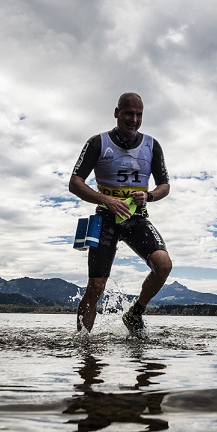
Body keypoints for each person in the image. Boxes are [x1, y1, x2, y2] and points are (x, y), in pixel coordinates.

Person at [69, 92, 171, 337]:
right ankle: (84, 345)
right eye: (128, 113)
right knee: (95, 287)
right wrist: (107, 200)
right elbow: (75, 183)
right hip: (105, 219)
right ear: (117, 113)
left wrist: (149, 196)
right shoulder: (98, 143)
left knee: (163, 265)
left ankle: (135, 312)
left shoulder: (152, 145)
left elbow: (165, 185)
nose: (133, 119)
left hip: (136, 219)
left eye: (139, 115)